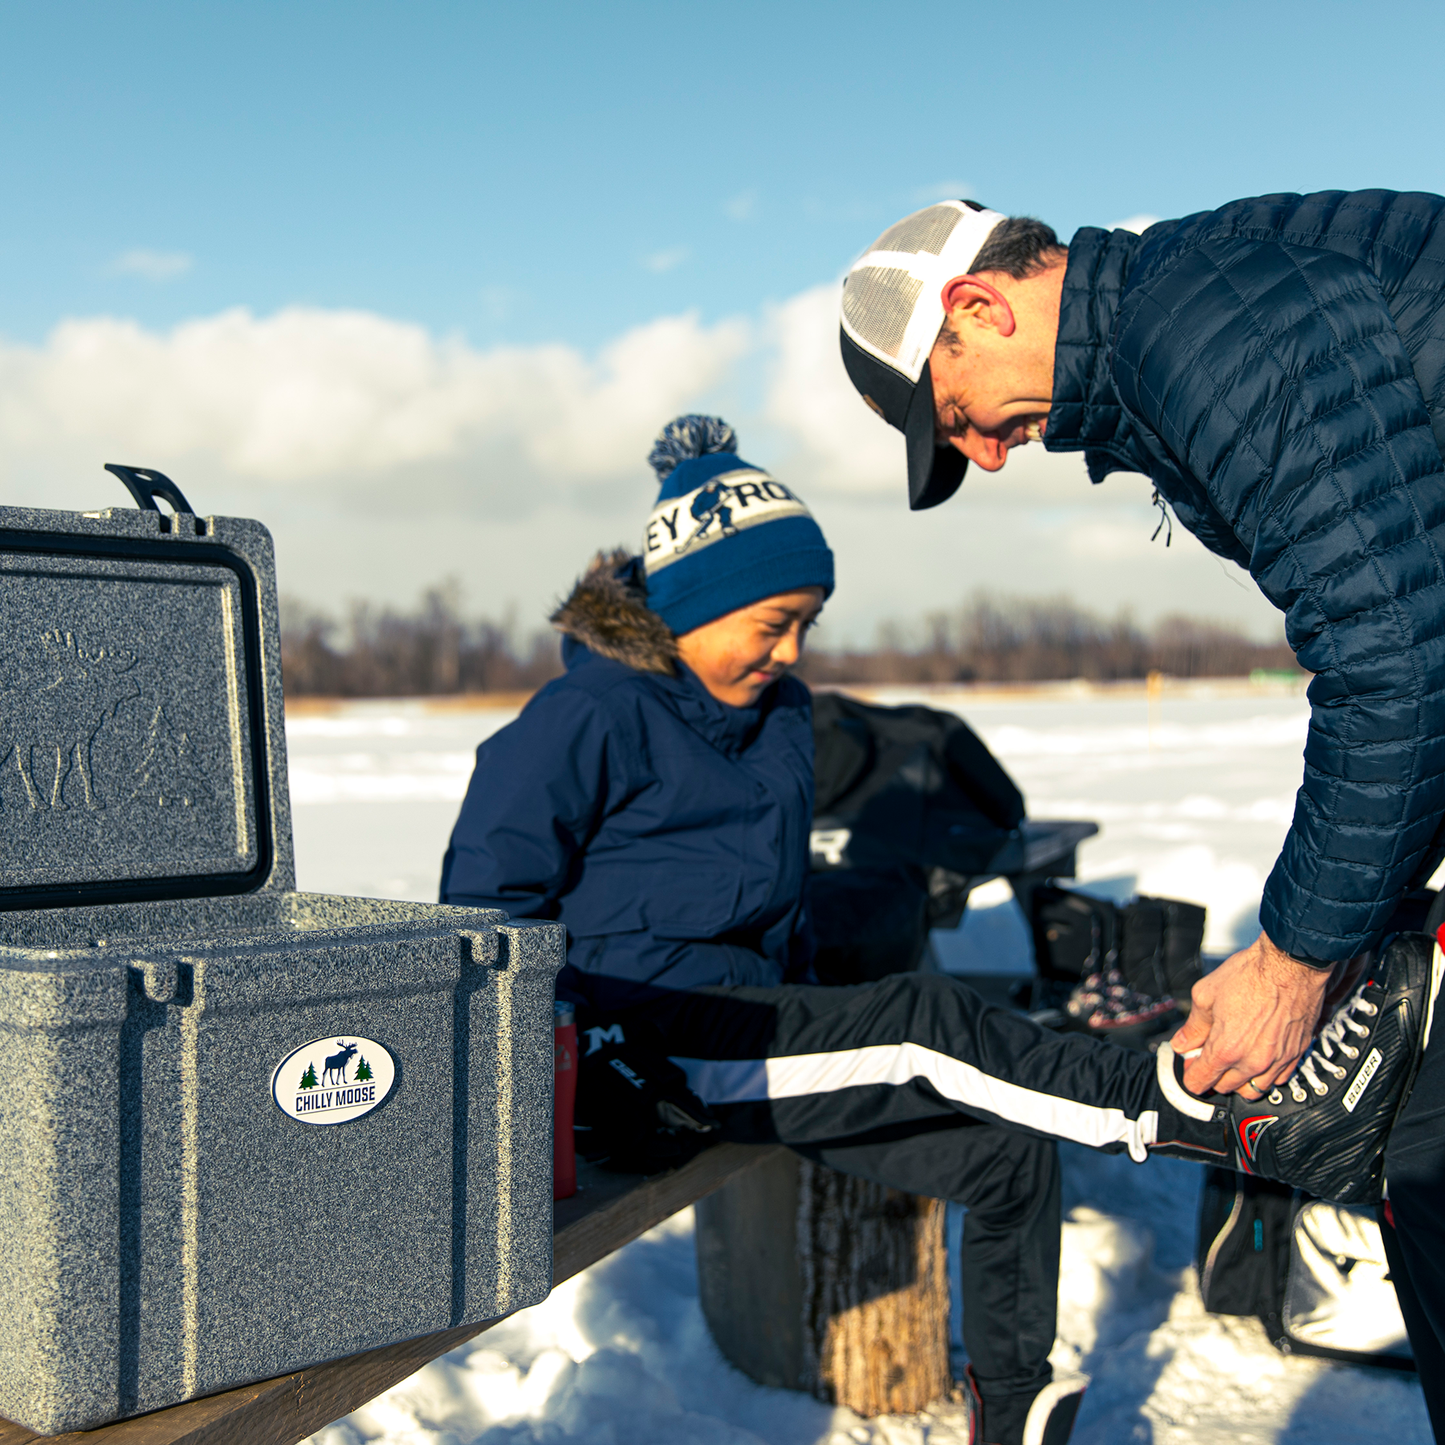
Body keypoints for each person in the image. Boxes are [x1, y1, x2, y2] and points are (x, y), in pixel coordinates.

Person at [441, 415, 1432, 1445]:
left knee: (1007, 1156)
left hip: (752, 1025)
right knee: (920, 1019)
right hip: (641, 1047)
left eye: (806, 624)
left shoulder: (779, 715)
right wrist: (579, 1042)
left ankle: (1011, 1406)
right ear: (694, 605)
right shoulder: (586, 716)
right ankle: (1185, 1107)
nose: (790, 650)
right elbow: (479, 912)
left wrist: (817, 987)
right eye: (771, 623)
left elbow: (775, 892)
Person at [836, 190, 1445, 1437]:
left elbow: (1395, 655)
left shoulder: (1202, 330)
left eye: (954, 416)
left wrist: (1296, 958)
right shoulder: (1183, 313)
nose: (986, 456)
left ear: (976, 306)